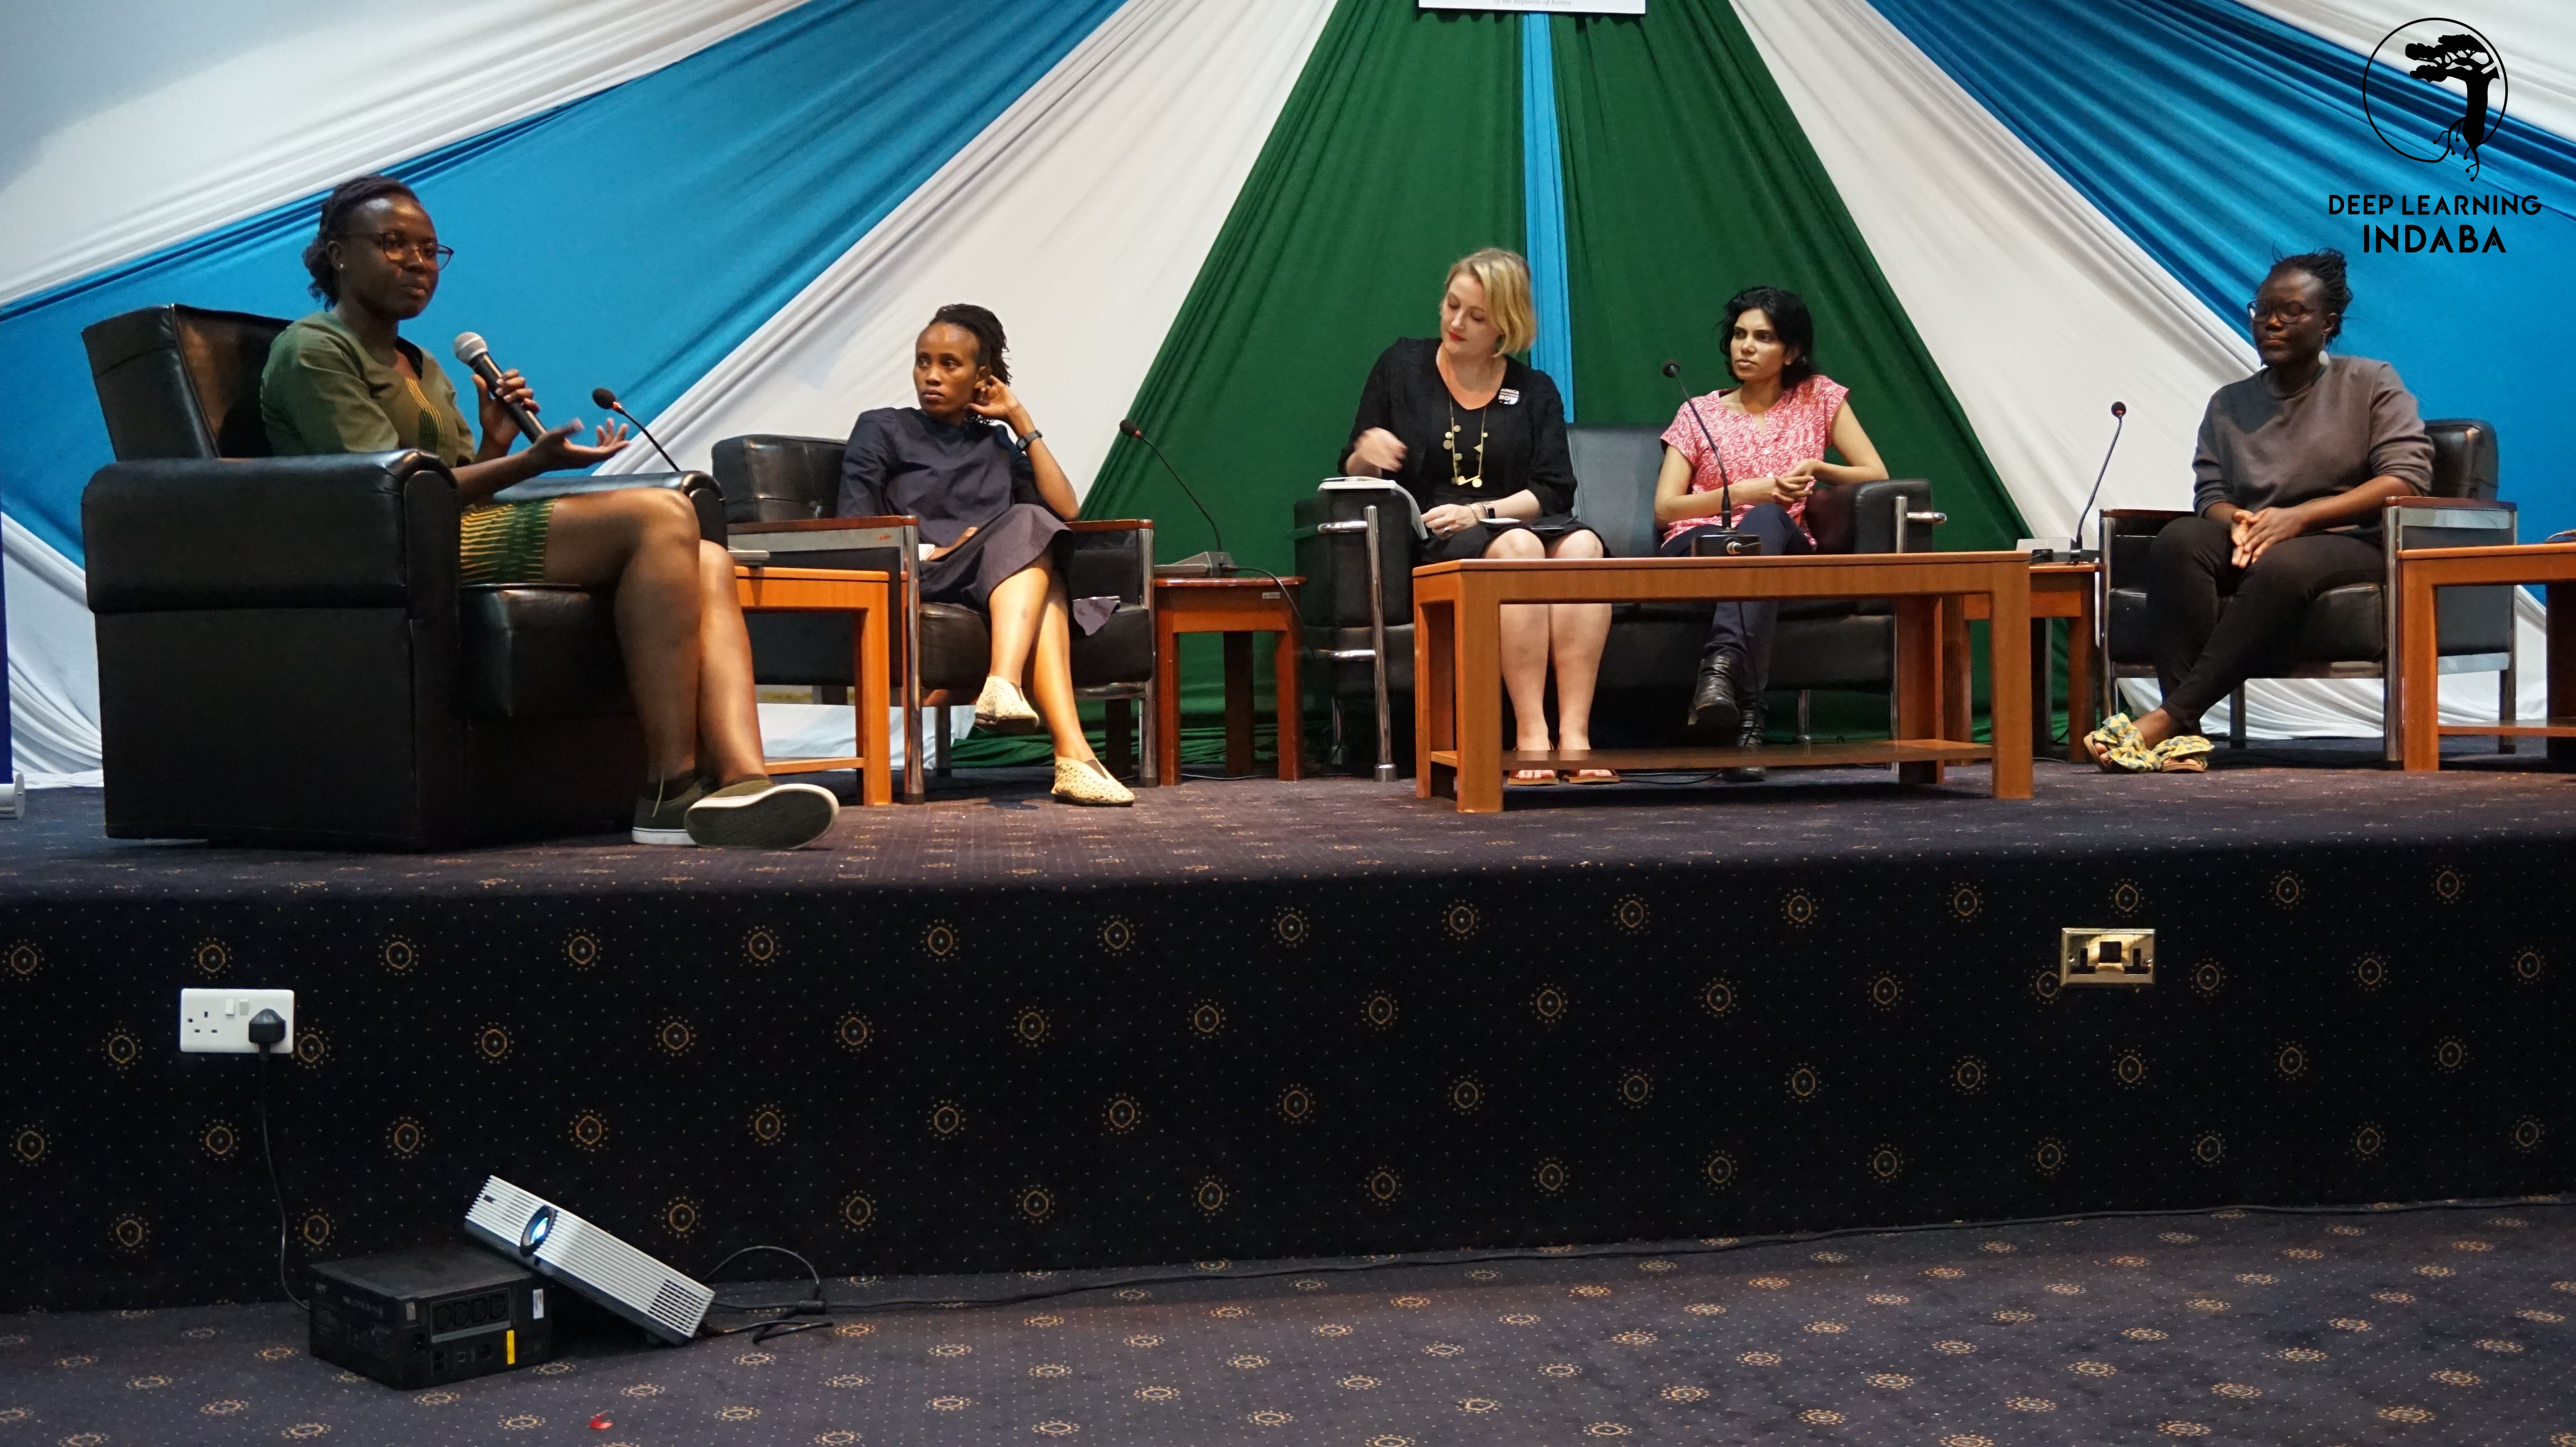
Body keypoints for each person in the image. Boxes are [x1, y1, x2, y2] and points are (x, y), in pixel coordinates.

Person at [259, 174, 838, 848]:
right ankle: (668, 787)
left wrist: (497, 443)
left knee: (708, 555)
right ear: (336, 254)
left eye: (430, 251)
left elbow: (456, 480)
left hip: (448, 528)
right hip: (391, 548)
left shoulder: (423, 364)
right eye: (394, 244)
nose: (418, 264)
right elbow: (385, 490)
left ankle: (742, 781)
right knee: (659, 517)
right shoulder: (313, 350)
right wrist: (531, 463)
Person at [2087, 249, 2432, 773]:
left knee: (2284, 562)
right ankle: (2187, 739)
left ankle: (2170, 718)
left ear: (2327, 323)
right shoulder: (2229, 403)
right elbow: (2210, 495)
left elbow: (2405, 477)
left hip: (2347, 539)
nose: (2271, 322)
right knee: (2180, 541)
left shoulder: (2369, 382)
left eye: (2291, 311)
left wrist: (2300, 518)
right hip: (2256, 536)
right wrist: (2240, 522)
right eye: (2262, 309)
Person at [839, 305, 1133, 807]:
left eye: (949, 364)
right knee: (1030, 527)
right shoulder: (883, 428)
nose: (931, 376)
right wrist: (942, 548)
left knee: (1042, 561)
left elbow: (1067, 508)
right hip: (927, 572)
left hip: (993, 581)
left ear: (982, 377)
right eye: (923, 361)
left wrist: (1020, 420)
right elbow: (855, 524)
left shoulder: (994, 442)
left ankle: (1070, 753)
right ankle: (1015, 693)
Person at [1342, 248, 1612, 785]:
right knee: (1520, 549)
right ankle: (1531, 733)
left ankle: (1576, 737)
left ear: (1505, 327)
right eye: (1452, 305)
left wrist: (1482, 512)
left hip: (1510, 518)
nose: (1457, 323)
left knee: (1584, 546)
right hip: (1439, 532)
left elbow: (1554, 489)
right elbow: (1350, 467)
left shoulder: (1534, 389)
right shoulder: (1402, 366)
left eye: (1477, 316)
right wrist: (1366, 453)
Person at [1654, 286, 1885, 779]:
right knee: (1751, 537)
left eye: (1763, 337)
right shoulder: (1698, 413)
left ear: (1792, 351)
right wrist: (1744, 491)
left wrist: (1819, 468)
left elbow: (1875, 473)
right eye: (1739, 335)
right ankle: (1749, 720)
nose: (1745, 347)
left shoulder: (1818, 397)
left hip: (1779, 543)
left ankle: (1721, 669)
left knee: (1764, 523)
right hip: (1701, 543)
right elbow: (1666, 508)